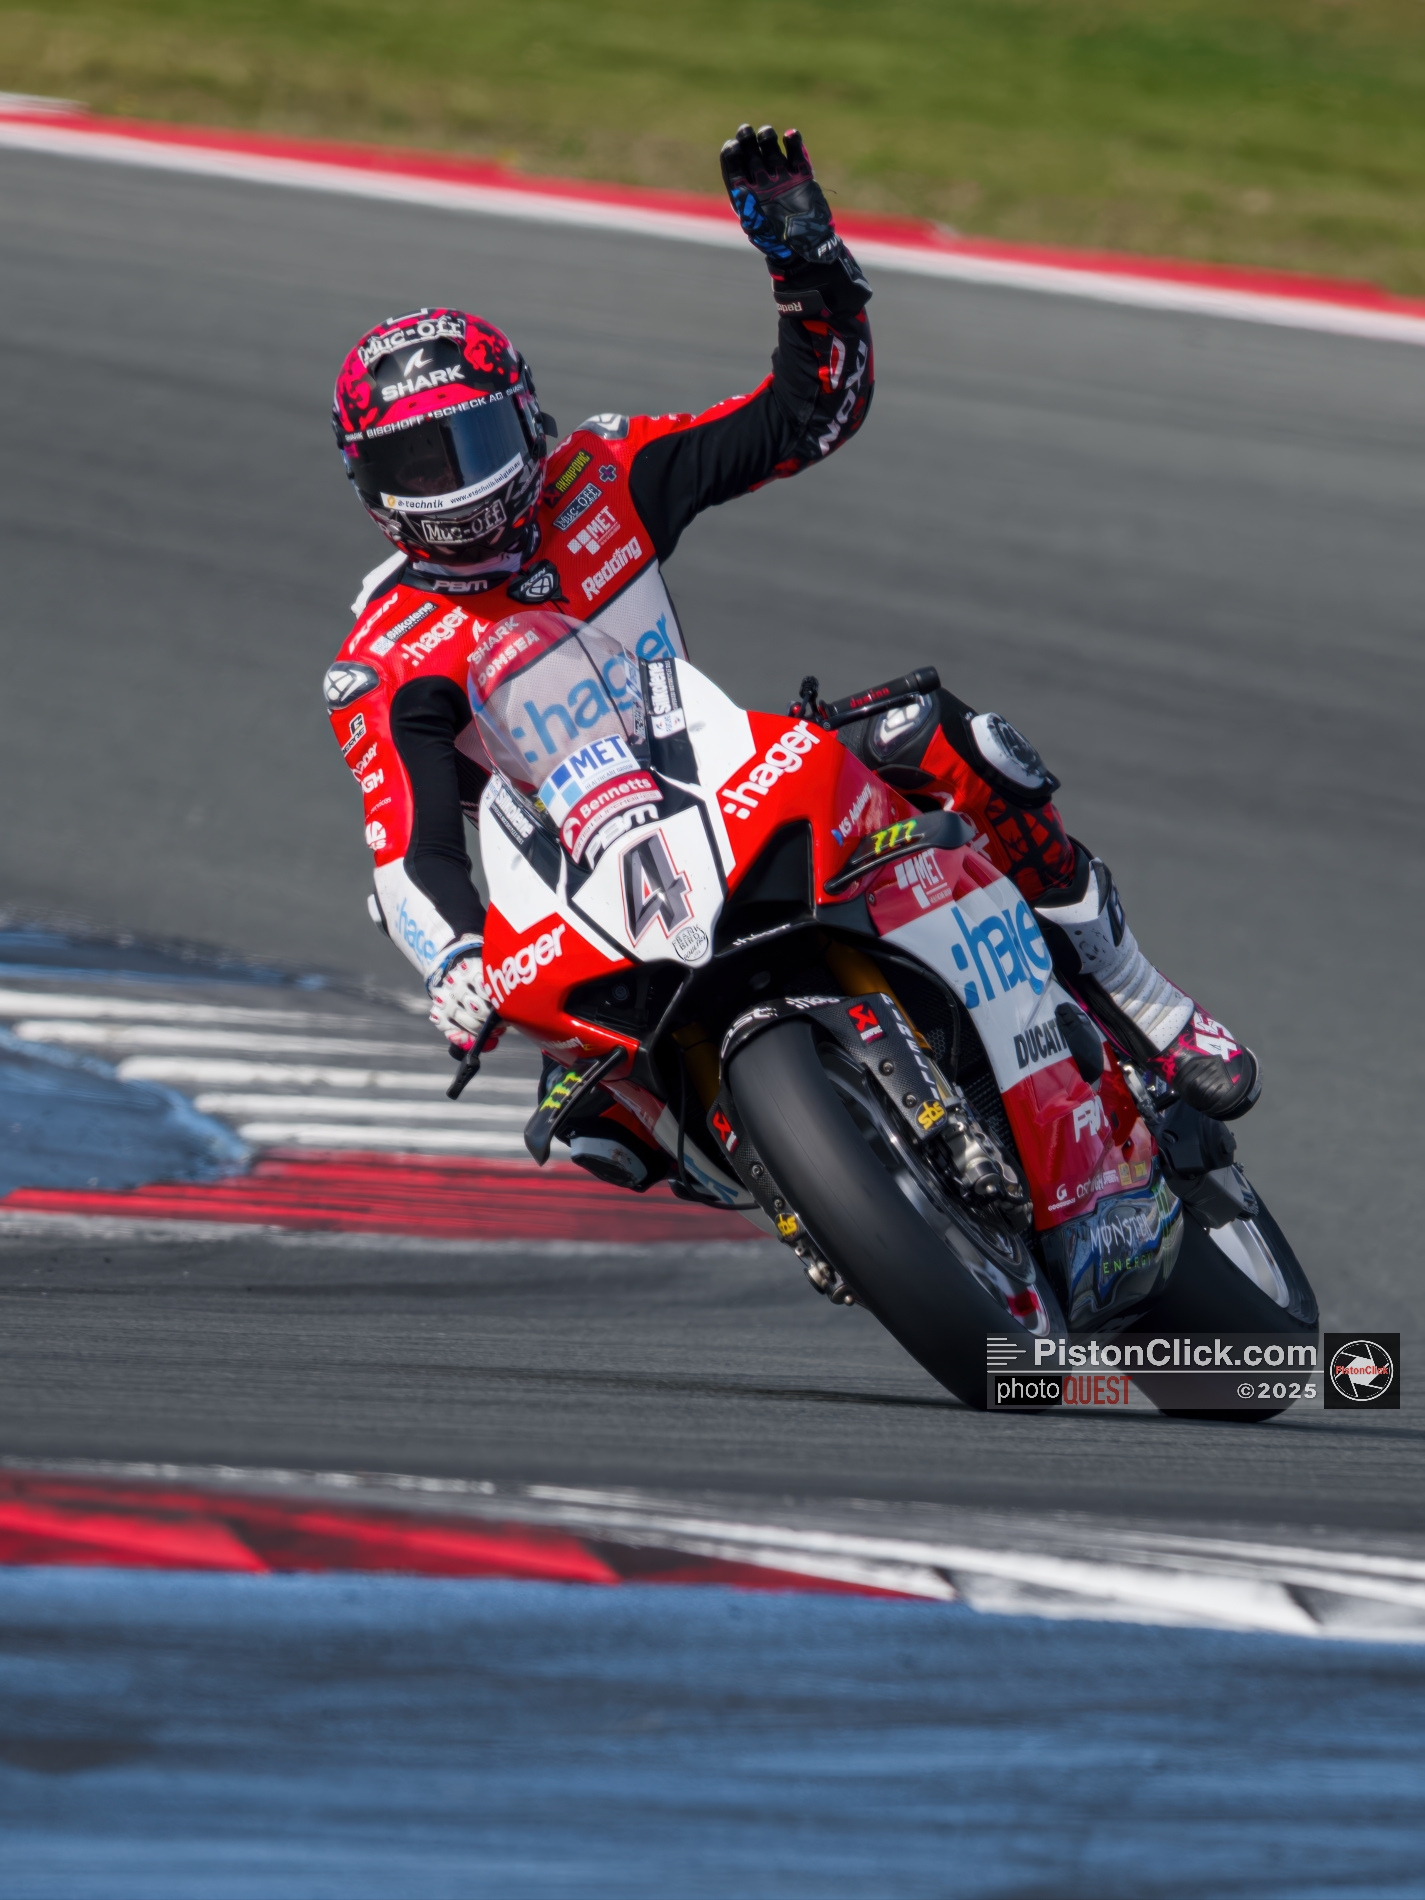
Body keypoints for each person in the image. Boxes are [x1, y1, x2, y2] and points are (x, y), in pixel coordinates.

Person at [324, 124, 1256, 1191]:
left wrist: (805, 269)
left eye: (477, 446)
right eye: (419, 465)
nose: (462, 488)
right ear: (370, 485)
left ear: (527, 419)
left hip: (717, 772)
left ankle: (1139, 993)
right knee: (593, 1124)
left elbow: (806, 417)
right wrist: (452, 961)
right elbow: (408, 844)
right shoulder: (383, 649)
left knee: (952, 741)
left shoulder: (601, 474)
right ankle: (803, 1186)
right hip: (575, 888)